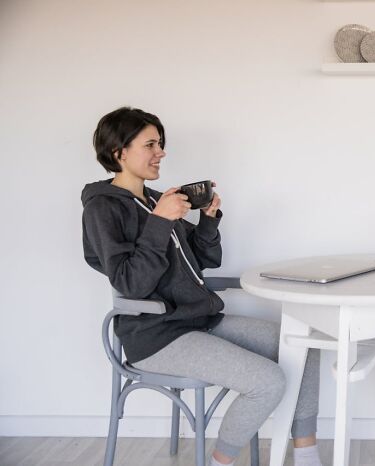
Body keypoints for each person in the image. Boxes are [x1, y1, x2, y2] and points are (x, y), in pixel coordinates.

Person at [82, 107, 323, 466]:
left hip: (198, 321)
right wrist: (160, 221)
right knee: (268, 381)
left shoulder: (156, 200)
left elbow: (203, 259)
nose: (161, 152)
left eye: (160, 143)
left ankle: (306, 455)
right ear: (119, 152)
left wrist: (207, 220)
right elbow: (130, 283)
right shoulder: (102, 209)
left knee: (305, 347)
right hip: (156, 335)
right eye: (150, 145)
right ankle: (219, 462)